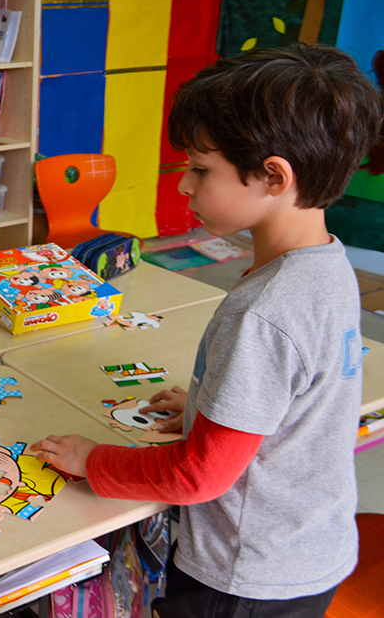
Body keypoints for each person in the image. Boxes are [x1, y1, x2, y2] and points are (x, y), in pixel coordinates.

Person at [31, 44, 383, 617]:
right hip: (308, 551)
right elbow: (295, 402)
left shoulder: (264, 312)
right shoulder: (329, 265)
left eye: (200, 168)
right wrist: (209, 410)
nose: (183, 186)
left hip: (243, 577)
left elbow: (197, 476)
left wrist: (93, 459)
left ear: (274, 176)